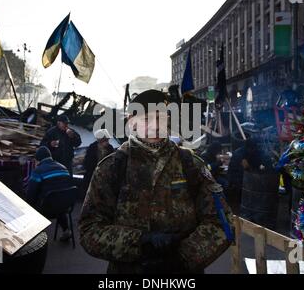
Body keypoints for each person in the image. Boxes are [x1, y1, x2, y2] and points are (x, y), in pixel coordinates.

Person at [79, 90, 234, 274]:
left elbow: (222, 222)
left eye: (160, 118)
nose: (155, 127)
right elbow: (89, 229)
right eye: (146, 119)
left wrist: (182, 259)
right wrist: (139, 243)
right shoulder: (112, 167)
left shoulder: (190, 164)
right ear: (131, 122)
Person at [27, 146, 73, 241]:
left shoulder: (38, 171)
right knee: (59, 199)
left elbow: (31, 194)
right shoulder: (64, 168)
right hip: (66, 207)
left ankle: (34, 235)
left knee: (32, 202)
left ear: (38, 159)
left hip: (46, 210)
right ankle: (66, 230)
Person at [82, 129, 115, 195]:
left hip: (106, 175)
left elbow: (113, 160)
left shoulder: (110, 148)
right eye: (105, 140)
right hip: (93, 174)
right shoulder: (92, 147)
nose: (107, 142)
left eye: (107, 140)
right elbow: (87, 162)